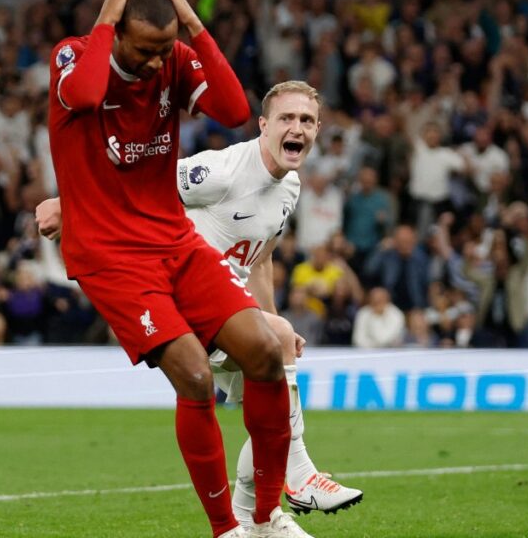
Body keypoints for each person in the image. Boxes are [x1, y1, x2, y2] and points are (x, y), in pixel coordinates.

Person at [39, 81, 362, 529]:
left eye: (306, 121)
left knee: (272, 411)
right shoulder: (223, 170)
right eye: (287, 118)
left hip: (228, 311)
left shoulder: (290, 187)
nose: (297, 128)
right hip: (180, 301)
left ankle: (256, 520)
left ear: (318, 129)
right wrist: (67, 203)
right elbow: (140, 184)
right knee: (279, 358)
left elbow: (261, 259)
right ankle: (297, 480)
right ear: (264, 126)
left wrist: (262, 318)